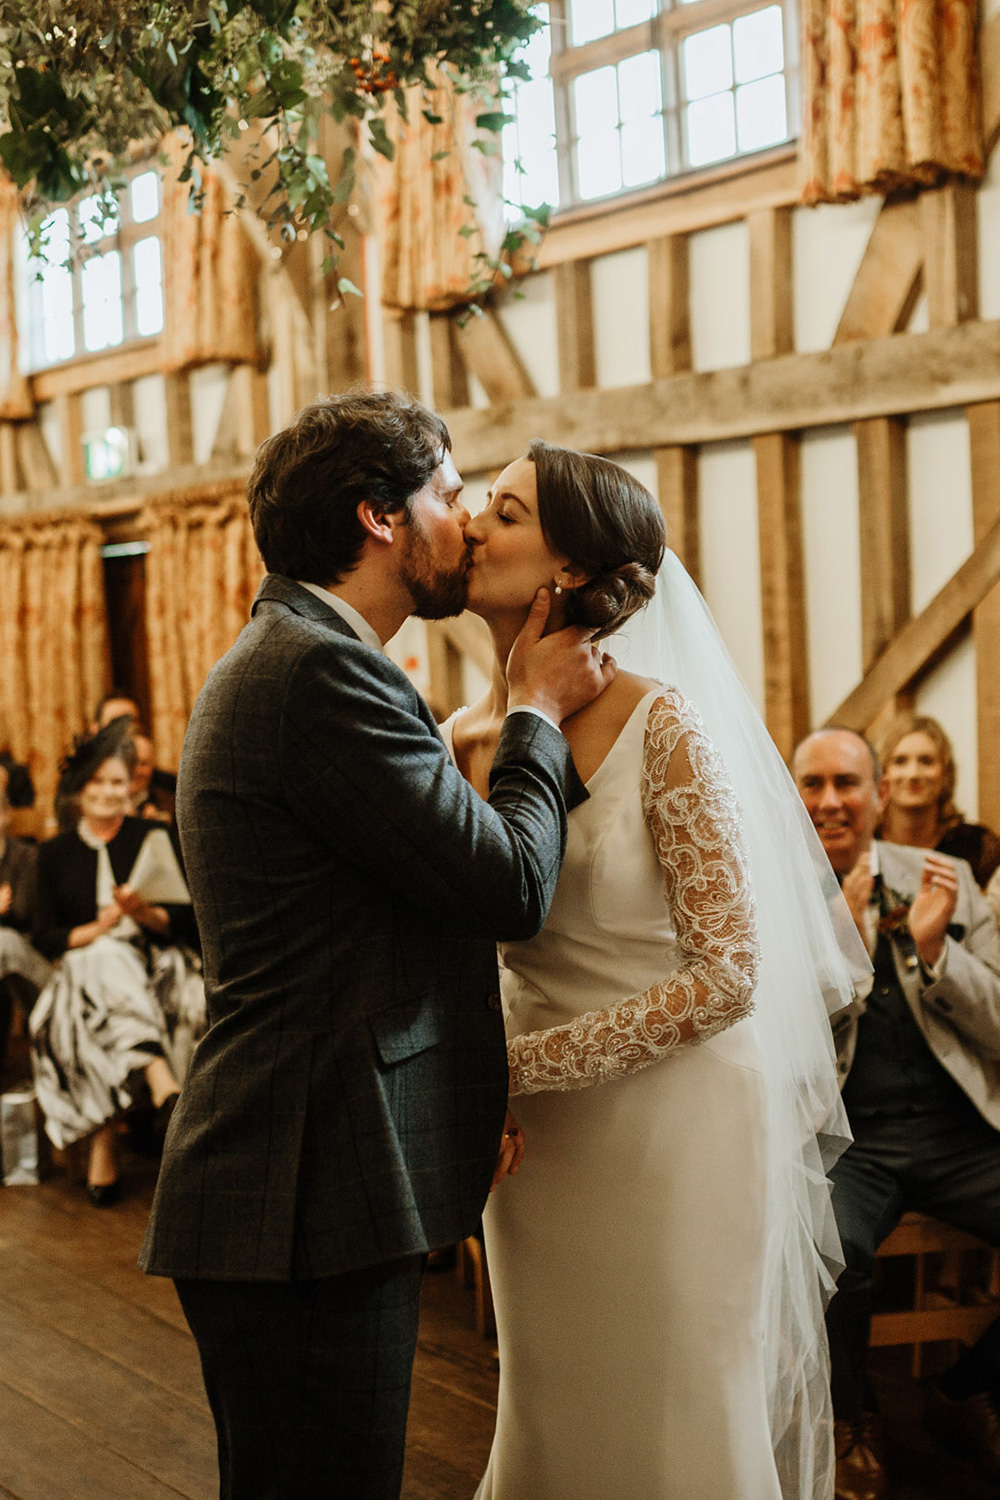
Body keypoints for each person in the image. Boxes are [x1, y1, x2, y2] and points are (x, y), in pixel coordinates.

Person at [138, 391, 614, 1500]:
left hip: (311, 1178)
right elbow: (504, 886)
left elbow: (388, 925)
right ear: (379, 519)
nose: (463, 519)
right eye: (448, 492)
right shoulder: (317, 671)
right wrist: (534, 710)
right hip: (302, 1190)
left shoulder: (306, 655)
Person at [443, 441, 864, 1500]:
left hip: (675, 1130)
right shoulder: (458, 738)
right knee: (549, 1401)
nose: (470, 526)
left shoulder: (663, 725)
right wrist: (484, 1083)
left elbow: (727, 976)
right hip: (532, 1145)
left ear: (568, 571)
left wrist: (513, 1067)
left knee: (674, 1407)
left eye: (502, 511)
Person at [792, 727, 1000, 1500]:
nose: (831, 800)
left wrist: (938, 954)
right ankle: (853, 1421)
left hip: (958, 1132)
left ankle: (962, 1393)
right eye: (812, 784)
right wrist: (843, 940)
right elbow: (776, 1040)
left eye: (848, 783)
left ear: (880, 796)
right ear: (794, 794)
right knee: (830, 1247)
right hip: (851, 1141)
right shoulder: (772, 890)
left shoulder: (946, 878)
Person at [30, 720, 197, 1205]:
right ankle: (159, 1079)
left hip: (154, 962)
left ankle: (104, 1148)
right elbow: (46, 936)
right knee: (98, 959)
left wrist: (142, 913)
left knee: (104, 976)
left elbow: (185, 921)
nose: (109, 791)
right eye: (99, 781)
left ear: (131, 787)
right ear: (78, 789)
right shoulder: (54, 853)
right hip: (82, 966)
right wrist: (102, 926)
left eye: (119, 781)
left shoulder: (151, 834)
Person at [878, 712, 1000, 889]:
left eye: (926, 761)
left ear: (945, 773)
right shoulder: (864, 847)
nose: (913, 773)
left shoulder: (978, 847)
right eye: (899, 761)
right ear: (881, 774)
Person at [0, 767, 51, 1067]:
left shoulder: (24, 856)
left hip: (27, 958)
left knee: (3, 942)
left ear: (5, 814)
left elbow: (23, 913)